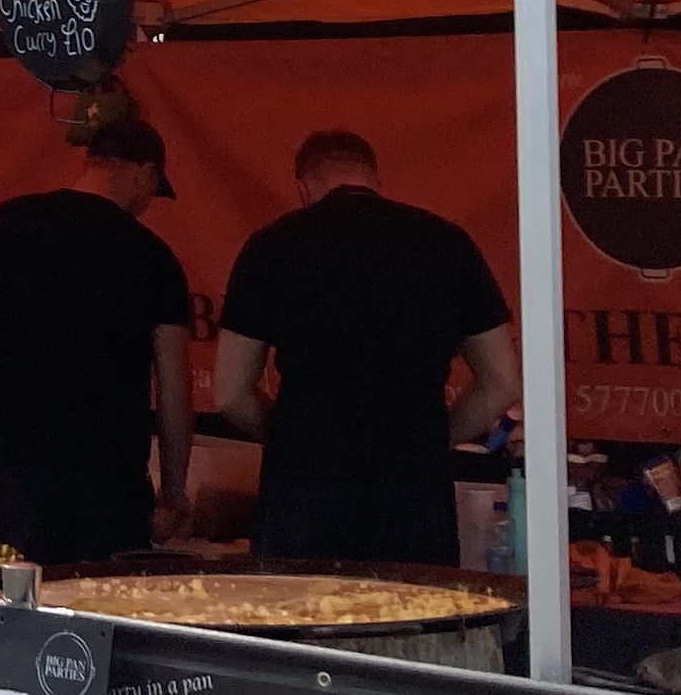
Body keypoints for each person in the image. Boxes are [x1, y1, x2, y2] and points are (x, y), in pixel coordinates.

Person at [214, 129, 519, 565]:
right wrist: (431, 439)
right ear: (376, 180)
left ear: (304, 187)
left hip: (306, 494)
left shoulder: (272, 246)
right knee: (414, 622)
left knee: (300, 623)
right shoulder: (446, 242)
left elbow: (228, 393)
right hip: (412, 490)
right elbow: (502, 383)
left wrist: (291, 439)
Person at [0, 118, 195, 562]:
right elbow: (174, 387)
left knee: (14, 608)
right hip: (110, 477)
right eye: (153, 191)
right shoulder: (154, 257)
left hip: (19, 463)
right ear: (145, 173)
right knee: (102, 609)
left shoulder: (11, 221)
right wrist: (173, 492)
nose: (148, 202)